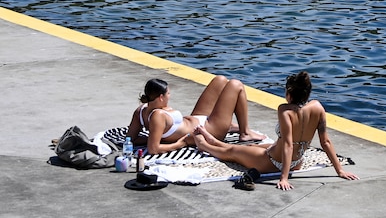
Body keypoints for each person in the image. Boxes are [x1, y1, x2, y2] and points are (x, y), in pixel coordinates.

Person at [192, 71, 360, 190]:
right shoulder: (318, 107)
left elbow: (288, 144)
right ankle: (213, 140)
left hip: (274, 162)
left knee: (233, 151)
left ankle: (206, 144)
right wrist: (340, 170)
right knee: (252, 148)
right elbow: (326, 142)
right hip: (298, 162)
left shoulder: (285, 110)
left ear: (289, 93)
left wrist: (283, 177)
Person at [127, 75, 266, 155]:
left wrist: (157, 137)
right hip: (209, 130)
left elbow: (130, 139)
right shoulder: (157, 115)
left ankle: (229, 125)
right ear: (161, 97)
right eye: (168, 93)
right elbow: (153, 149)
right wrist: (179, 143)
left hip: (197, 119)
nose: (170, 96)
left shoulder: (141, 110)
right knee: (236, 85)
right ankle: (245, 132)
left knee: (220, 80)